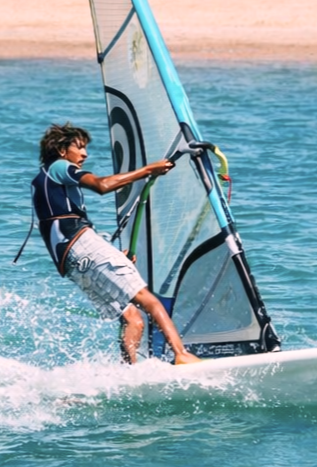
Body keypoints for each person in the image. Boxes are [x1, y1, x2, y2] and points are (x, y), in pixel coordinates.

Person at [31, 122, 200, 366]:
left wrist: (110, 253)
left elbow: (65, 231)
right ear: (61, 150)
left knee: (132, 317)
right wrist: (148, 170)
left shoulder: (43, 179)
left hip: (70, 260)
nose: (85, 154)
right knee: (147, 299)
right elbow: (102, 185)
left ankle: (128, 372)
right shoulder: (60, 166)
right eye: (79, 148)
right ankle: (182, 355)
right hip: (81, 244)